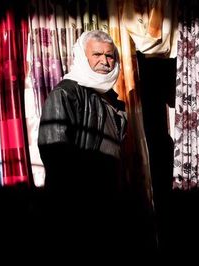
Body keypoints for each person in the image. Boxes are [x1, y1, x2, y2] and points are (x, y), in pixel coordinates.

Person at [37, 30, 130, 256]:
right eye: (97, 54)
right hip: (79, 207)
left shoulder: (111, 99)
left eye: (110, 56)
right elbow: (54, 151)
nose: (105, 61)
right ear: (82, 56)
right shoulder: (66, 93)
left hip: (107, 203)